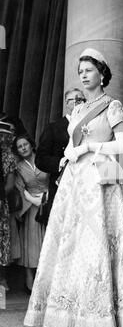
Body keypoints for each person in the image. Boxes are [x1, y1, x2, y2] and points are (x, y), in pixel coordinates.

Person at [24, 48, 123, 327]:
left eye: (88, 70)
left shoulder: (113, 105)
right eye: (80, 71)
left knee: (97, 243)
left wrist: (91, 147)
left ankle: (101, 316)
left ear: (102, 73)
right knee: (73, 245)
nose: (83, 75)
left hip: (101, 179)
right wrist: (67, 155)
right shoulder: (76, 110)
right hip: (75, 183)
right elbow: (68, 147)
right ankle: (71, 313)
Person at [35, 88, 85, 224]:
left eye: (82, 99)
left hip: (84, 186)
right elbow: (40, 159)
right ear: (66, 103)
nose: (78, 103)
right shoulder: (53, 128)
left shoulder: (89, 127)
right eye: (74, 99)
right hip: (60, 186)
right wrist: (60, 162)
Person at [13, 134, 49, 293]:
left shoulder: (43, 159)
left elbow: (55, 178)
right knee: (32, 244)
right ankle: (29, 278)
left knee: (50, 241)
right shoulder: (19, 167)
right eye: (20, 147)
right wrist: (31, 199)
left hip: (50, 202)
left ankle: (49, 280)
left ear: (31, 145)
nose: (23, 148)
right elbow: (19, 189)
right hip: (31, 207)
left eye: (25, 144)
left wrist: (47, 196)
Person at [0, 116, 18, 291]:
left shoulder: (8, 157)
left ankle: (1, 281)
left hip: (0, 203)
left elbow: (10, 185)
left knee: (1, 240)